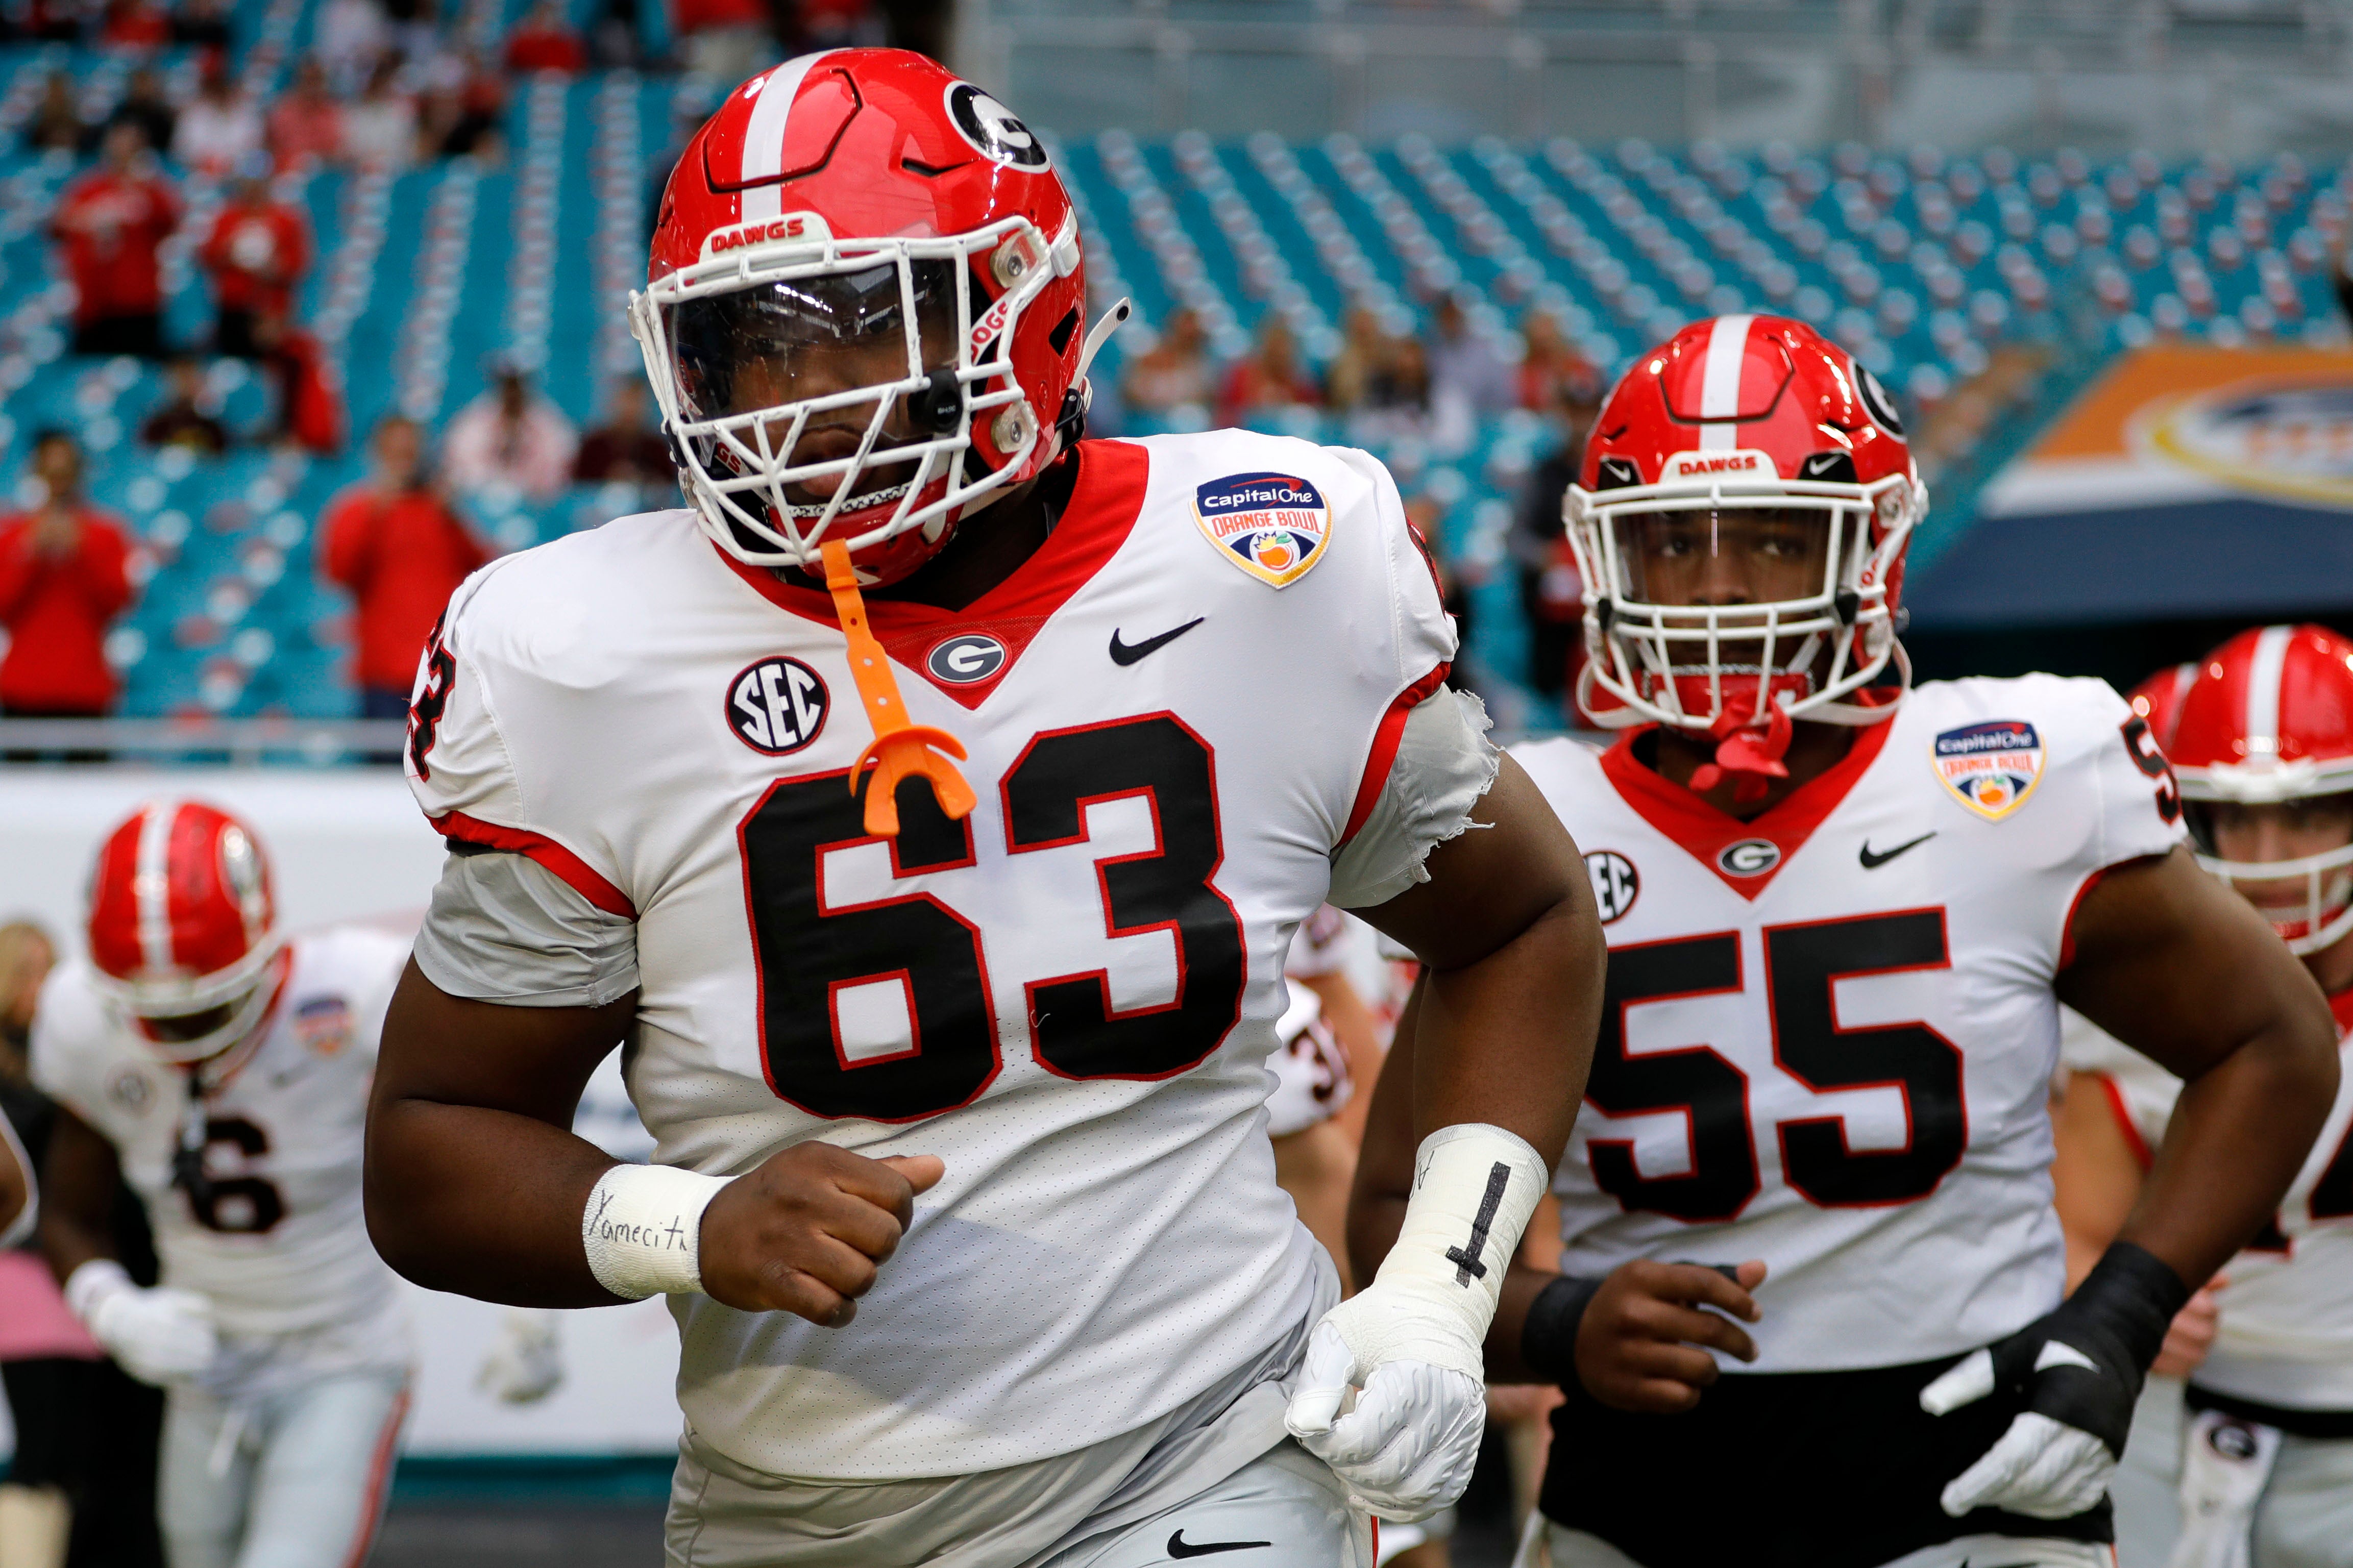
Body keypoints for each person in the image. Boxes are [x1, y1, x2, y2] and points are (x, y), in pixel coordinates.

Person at [363, 48, 1607, 1567]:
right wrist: (692, 1224)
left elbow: (1526, 920)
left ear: (1021, 304)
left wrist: (1434, 1286)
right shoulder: (581, 654)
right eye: (749, 345)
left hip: (1206, 1456)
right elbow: (434, 1144)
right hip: (796, 1512)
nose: (800, 400)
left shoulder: (1264, 561)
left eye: (860, 326)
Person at [1349, 314, 2343, 1568]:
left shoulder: (2012, 775)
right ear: (1601, 561)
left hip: (1972, 1455)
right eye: (1669, 543)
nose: (1716, 589)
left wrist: (2117, 1318)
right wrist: (1554, 1322)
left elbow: (2272, 1042)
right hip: (1651, 1483)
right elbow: (1390, 1216)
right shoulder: (1533, 818)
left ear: (1871, 544)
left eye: (1770, 538)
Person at [34, 802, 415, 1568]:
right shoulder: (81, 1017)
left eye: (206, 1000)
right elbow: (69, 1212)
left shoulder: (354, 990)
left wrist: (522, 1314)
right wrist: (109, 1307)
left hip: (339, 1354)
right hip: (202, 1370)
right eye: (153, 1009)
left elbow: (474, 1133)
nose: (177, 1029)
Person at [2055, 626, 2353, 1568]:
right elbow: (2073, 1231)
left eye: (2310, 813)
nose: (2269, 855)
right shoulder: (2134, 999)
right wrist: (2113, 1290)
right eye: (2234, 818)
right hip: (2176, 1425)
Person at [319, 415, 486, 719]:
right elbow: (340, 570)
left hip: (441, 669)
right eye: (394, 453)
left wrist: (452, 515)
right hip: (385, 671)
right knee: (384, 763)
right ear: (378, 454)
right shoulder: (359, 509)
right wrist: (377, 507)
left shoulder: (439, 510)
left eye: (409, 452)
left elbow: (479, 569)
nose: (403, 461)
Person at [0, 432, 135, 724]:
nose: (58, 483)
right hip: (24, 683)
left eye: (65, 473)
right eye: (51, 473)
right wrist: (30, 553)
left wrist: (82, 551)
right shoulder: (12, 534)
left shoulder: (104, 534)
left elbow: (118, 602)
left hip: (85, 684)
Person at [1508, 373, 1601, 707]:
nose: (1582, 423)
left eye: (1589, 412)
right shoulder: (1544, 473)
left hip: (1604, 589)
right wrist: (1548, 555)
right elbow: (1517, 539)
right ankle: (1550, 698)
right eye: (1575, 413)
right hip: (1556, 595)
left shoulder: (1616, 472)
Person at [52, 122, 181, 360]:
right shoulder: (89, 189)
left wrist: (141, 185)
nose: (123, 151)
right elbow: (58, 225)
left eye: (130, 145)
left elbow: (171, 220)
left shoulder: (151, 189)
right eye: (118, 144)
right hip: (95, 301)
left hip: (137, 301)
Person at [199, 168, 311, 360]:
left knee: (271, 363)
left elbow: (299, 262)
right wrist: (228, 253)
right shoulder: (227, 218)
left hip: (271, 307)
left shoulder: (286, 219)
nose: (253, 189)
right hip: (235, 305)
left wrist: (276, 269)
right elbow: (207, 255)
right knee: (234, 361)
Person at [440, 363, 578, 499]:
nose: (512, 393)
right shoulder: (476, 420)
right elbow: (460, 459)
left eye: (517, 386)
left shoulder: (546, 420)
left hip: (534, 500)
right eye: (508, 386)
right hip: (482, 496)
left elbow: (561, 458)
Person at [1216, 312, 1320, 427]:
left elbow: (1313, 417)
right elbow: (1227, 414)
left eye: (1285, 347)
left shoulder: (1300, 383)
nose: (1281, 352)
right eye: (1275, 346)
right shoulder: (1243, 376)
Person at [570, 375, 671, 489]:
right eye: (626, 400)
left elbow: (670, 488)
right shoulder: (594, 446)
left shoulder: (656, 448)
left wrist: (646, 480)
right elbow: (578, 490)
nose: (631, 409)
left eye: (637, 402)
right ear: (613, 403)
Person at [171, 56, 265, 177]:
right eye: (218, 87)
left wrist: (227, 164)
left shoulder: (249, 114)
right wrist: (204, 163)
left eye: (226, 88)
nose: (222, 93)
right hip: (196, 174)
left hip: (237, 176)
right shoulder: (194, 113)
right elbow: (181, 150)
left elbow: (253, 151)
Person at [1424, 294, 1512, 420]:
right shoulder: (1431, 351)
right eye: (1446, 317)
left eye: (1454, 316)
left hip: (1483, 419)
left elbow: (1501, 396)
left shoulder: (1485, 352)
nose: (1450, 322)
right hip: (1442, 420)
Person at [1119, 305, 1215, 417]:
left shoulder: (1202, 367)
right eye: (1183, 333)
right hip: (1151, 419)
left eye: (1192, 336)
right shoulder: (1149, 357)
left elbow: (1206, 399)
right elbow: (1129, 394)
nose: (1186, 338)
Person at [139, 356, 231, 455]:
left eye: (190, 378)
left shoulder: (212, 428)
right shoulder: (156, 427)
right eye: (179, 378)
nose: (185, 385)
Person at [338, 58, 419, 170]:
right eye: (374, 83)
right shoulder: (353, 113)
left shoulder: (402, 112)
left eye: (382, 82)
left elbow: (405, 148)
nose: (379, 88)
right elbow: (349, 148)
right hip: (359, 170)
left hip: (393, 171)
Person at [266, 58, 344, 169]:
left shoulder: (332, 114)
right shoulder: (283, 111)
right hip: (283, 172)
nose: (312, 87)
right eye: (308, 80)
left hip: (317, 176)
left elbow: (334, 153)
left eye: (316, 81)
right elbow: (272, 147)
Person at [108, 65, 178, 162]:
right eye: (140, 84)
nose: (143, 88)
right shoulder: (122, 112)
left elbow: (170, 148)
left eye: (147, 84)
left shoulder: (162, 115)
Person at [503, 0, 585, 72]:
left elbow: (577, 73)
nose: (544, 22)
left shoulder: (566, 45)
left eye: (548, 17)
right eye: (541, 16)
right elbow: (511, 70)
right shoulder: (522, 43)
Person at [23, 72, 90, 155]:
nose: (57, 97)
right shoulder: (35, 130)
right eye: (53, 92)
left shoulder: (84, 131)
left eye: (61, 92)